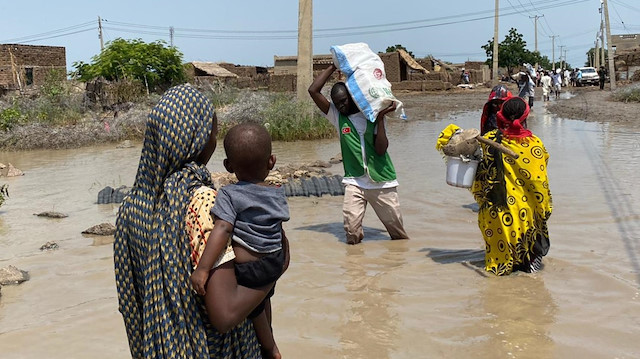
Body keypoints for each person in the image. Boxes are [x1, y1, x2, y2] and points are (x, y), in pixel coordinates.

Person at [114, 84, 287, 358]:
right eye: (213, 134)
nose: (214, 142)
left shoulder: (131, 207)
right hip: (213, 349)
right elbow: (226, 313)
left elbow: (131, 298)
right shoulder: (203, 202)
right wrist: (278, 267)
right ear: (195, 138)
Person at [191, 123, 289, 359]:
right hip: (276, 258)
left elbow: (223, 228)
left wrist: (203, 270)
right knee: (263, 301)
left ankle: (269, 348)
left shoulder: (229, 194)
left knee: (254, 307)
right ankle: (270, 347)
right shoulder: (277, 192)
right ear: (271, 161)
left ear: (228, 166)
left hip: (250, 269)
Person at [308, 63, 409, 245]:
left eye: (344, 101)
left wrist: (379, 120)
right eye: (337, 103)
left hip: (382, 181)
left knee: (398, 235)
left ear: (353, 97)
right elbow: (313, 91)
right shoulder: (338, 117)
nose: (341, 106)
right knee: (351, 232)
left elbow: (381, 149)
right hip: (355, 181)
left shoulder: (373, 115)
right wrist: (333, 66)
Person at [472, 96, 553, 275]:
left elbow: (478, 177)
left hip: (496, 217)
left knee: (497, 273)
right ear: (525, 117)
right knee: (529, 276)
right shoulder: (535, 146)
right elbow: (539, 184)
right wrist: (545, 210)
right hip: (524, 219)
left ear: (501, 116)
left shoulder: (488, 140)